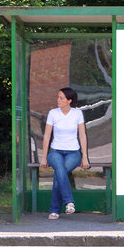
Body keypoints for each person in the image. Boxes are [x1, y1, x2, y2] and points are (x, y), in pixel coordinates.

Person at [40, 87, 89, 220]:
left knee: (59, 174)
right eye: (58, 97)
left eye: (61, 98)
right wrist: (44, 157)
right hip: (55, 152)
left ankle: (55, 210)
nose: (58, 100)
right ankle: (69, 202)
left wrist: (84, 157)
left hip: (73, 153)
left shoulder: (77, 113)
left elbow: (82, 135)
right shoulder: (53, 113)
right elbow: (47, 136)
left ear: (69, 100)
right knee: (60, 170)